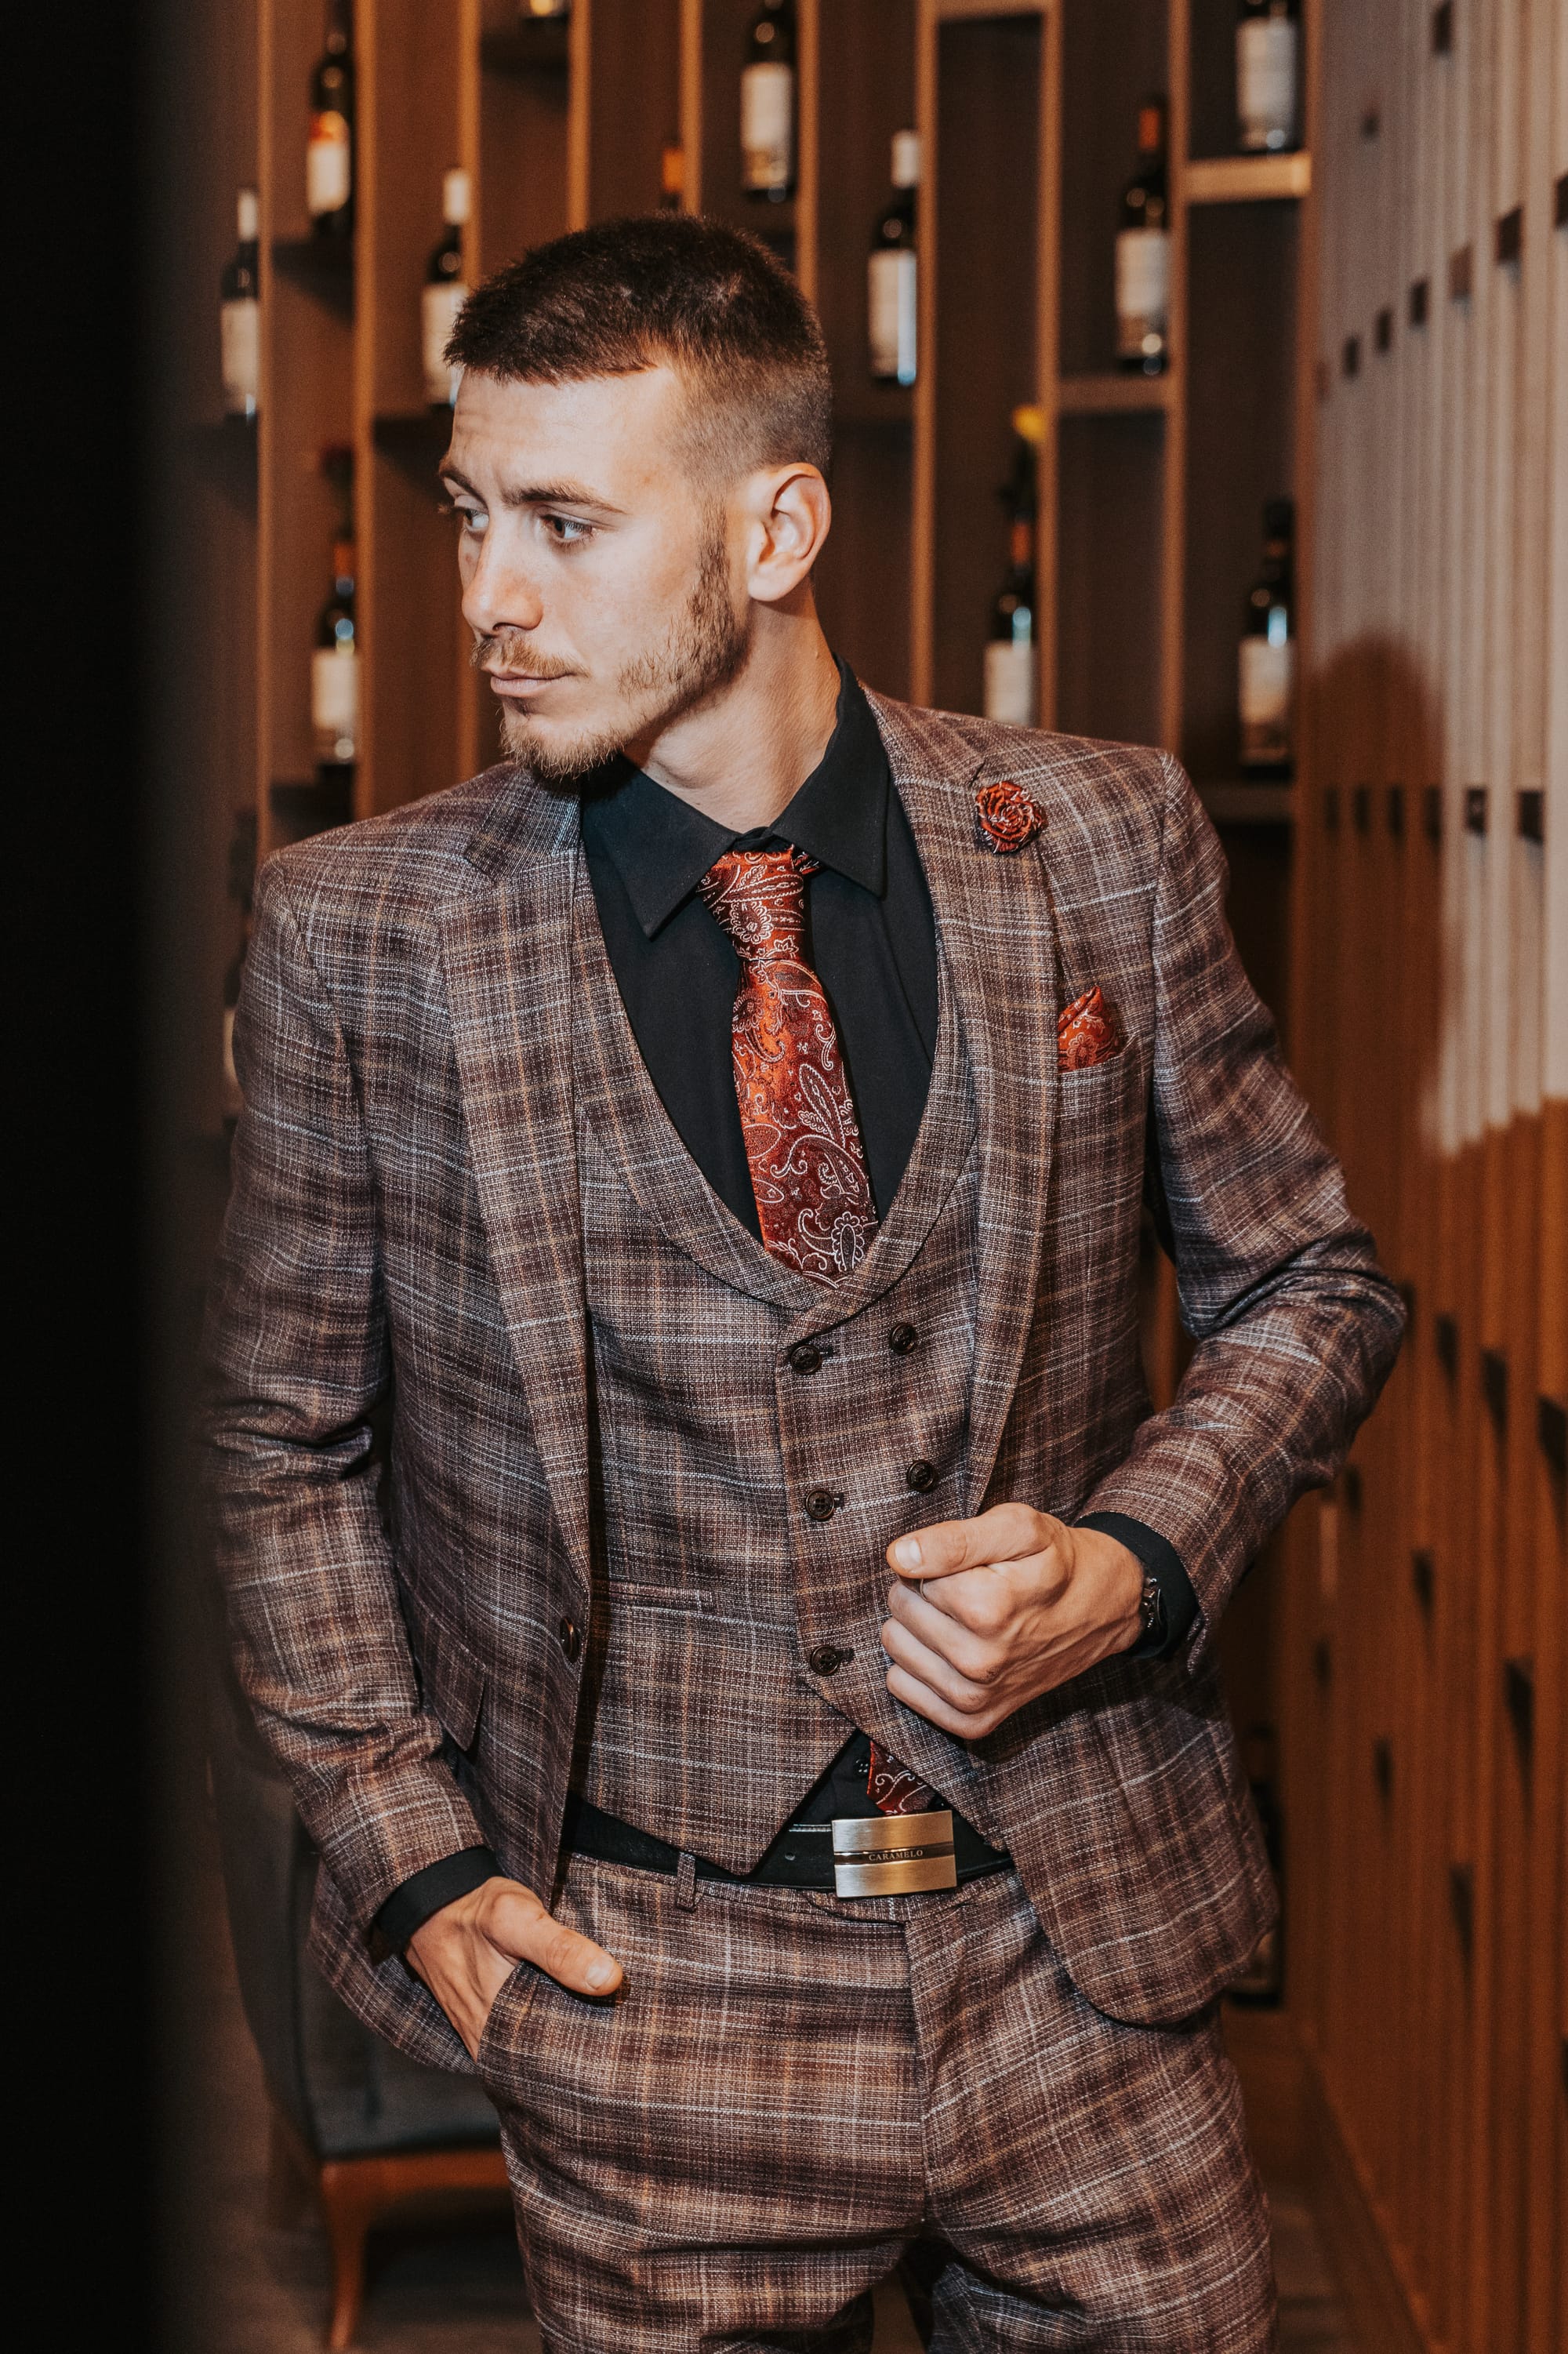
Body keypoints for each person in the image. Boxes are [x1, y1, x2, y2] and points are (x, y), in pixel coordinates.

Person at [204, 215, 1403, 2352]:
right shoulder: (359, 934)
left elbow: (1311, 1280)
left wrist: (1135, 1560)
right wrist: (413, 1854)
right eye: (472, 515)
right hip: (647, 1996)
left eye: (565, 523)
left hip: (1078, 1963)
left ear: (774, 528)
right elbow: (283, 1447)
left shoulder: (1103, 842)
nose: (487, 596)